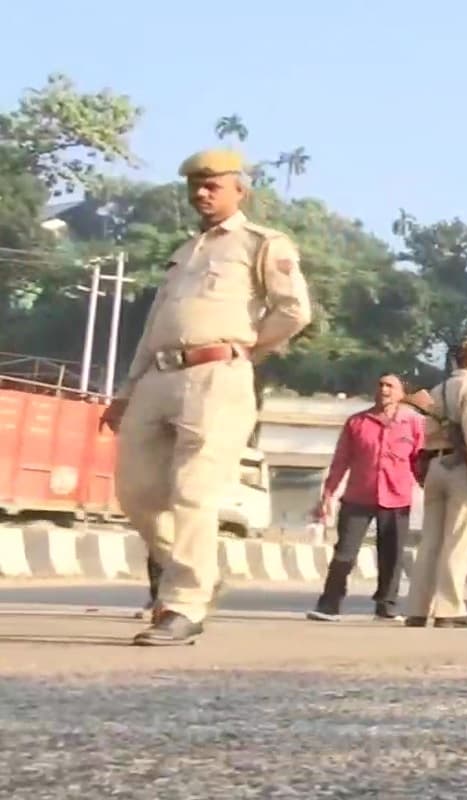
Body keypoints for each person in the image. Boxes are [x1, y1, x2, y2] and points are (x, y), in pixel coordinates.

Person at [100, 148, 311, 646]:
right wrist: (127, 390)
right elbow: (154, 327)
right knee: (136, 493)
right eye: (195, 184)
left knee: (193, 492)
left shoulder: (262, 243)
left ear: (240, 189)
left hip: (217, 377)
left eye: (213, 184)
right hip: (158, 375)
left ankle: (184, 603)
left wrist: (246, 348)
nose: (201, 192)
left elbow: (294, 310)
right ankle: (196, 574)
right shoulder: (185, 251)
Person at [402, 337, 467, 628]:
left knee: (431, 542)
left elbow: (427, 431)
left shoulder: (439, 389)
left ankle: (417, 609)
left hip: (435, 465)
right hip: (462, 470)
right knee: (459, 540)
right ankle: (449, 610)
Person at [306, 372, 425, 622]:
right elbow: (340, 461)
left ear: (401, 394)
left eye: (390, 386)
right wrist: (327, 495)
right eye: (380, 384)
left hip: (397, 498)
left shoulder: (413, 424)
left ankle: (386, 605)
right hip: (358, 497)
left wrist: (431, 489)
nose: (384, 389)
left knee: (392, 555)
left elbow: (419, 461)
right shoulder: (357, 422)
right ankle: (329, 605)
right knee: (344, 554)